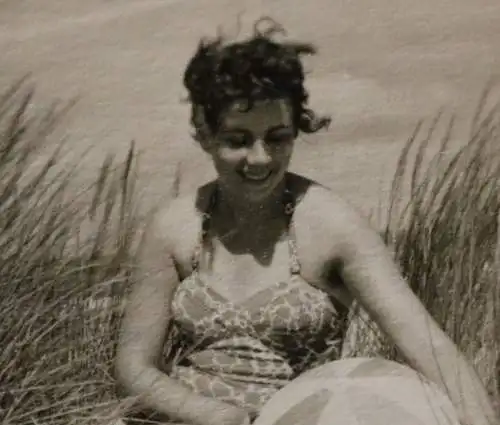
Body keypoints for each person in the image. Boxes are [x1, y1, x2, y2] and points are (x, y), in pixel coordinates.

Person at [115, 17, 499, 425]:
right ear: (204, 134)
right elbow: (134, 368)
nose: (260, 158)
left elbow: (431, 348)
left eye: (278, 138)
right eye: (238, 140)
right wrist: (213, 415)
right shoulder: (173, 227)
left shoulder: (332, 225)